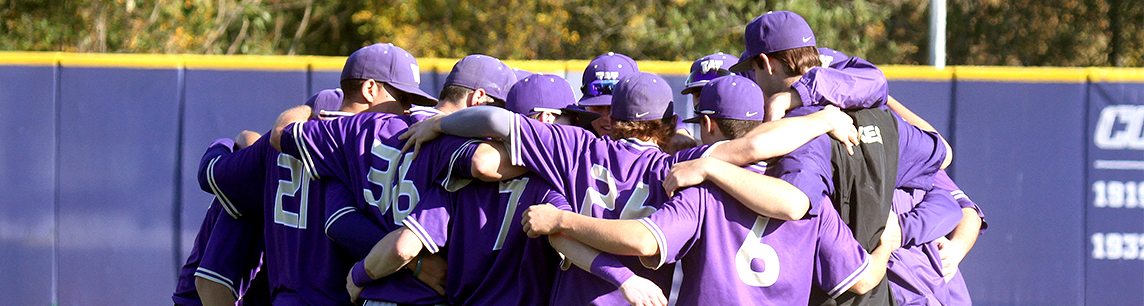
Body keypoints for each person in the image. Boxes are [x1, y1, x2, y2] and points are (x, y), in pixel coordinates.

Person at [395, 71, 861, 304]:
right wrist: (824, 119)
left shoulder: (574, 146)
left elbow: (497, 119)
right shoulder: (686, 163)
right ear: (672, 122)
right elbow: (754, 148)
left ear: (610, 117)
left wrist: (444, 124)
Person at [520, 75, 900, 304]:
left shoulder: (698, 186)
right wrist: (887, 245)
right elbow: (863, 279)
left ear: (708, 124)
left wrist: (562, 220)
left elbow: (644, 240)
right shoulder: (811, 196)